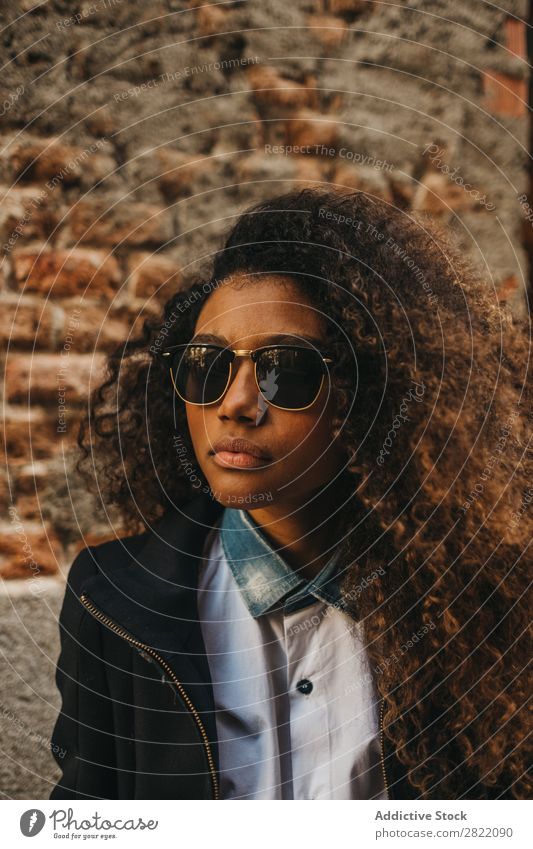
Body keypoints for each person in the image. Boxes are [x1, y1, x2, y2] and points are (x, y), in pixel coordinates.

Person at [49, 187, 531, 800]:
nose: (237, 404)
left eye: (287, 370)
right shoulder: (109, 598)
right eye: (208, 366)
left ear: (374, 391)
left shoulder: (479, 598)